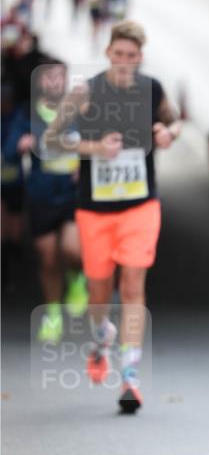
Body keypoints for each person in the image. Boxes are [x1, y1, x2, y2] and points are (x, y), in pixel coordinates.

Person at [46, 20, 181, 413]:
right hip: (95, 209)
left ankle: (130, 377)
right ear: (108, 53)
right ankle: (101, 335)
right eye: (118, 54)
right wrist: (93, 147)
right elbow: (52, 138)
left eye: (131, 56)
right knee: (99, 291)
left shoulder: (152, 89)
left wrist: (168, 133)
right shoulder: (85, 92)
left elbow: (173, 120)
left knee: (133, 284)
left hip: (141, 205)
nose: (124, 61)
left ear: (140, 58)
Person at [4, 58, 87, 340]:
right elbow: (9, 150)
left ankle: (76, 279)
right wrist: (21, 143)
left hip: (73, 194)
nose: (54, 82)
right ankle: (53, 315)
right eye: (48, 77)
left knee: (73, 249)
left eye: (59, 77)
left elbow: (99, 143)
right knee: (48, 258)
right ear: (39, 81)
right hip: (41, 193)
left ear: (66, 80)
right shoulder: (28, 112)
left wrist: (85, 165)